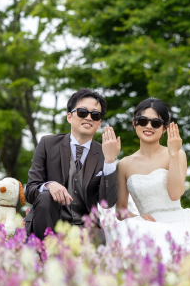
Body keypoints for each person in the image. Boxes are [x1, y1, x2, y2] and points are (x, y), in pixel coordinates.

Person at [102, 97, 190, 255]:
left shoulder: (176, 155)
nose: (148, 126)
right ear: (134, 123)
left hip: (179, 224)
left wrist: (174, 153)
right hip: (146, 227)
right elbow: (121, 211)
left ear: (165, 128)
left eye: (155, 123)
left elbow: (175, 194)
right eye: (143, 121)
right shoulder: (124, 164)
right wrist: (139, 219)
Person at [24, 88, 121, 240]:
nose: (89, 118)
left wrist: (110, 161)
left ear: (99, 123)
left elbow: (107, 203)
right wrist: (49, 185)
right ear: (69, 116)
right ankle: (43, 253)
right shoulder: (47, 144)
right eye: (82, 112)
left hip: (85, 231)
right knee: (45, 197)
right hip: (47, 226)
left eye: (95, 115)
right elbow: (29, 191)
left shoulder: (106, 153)